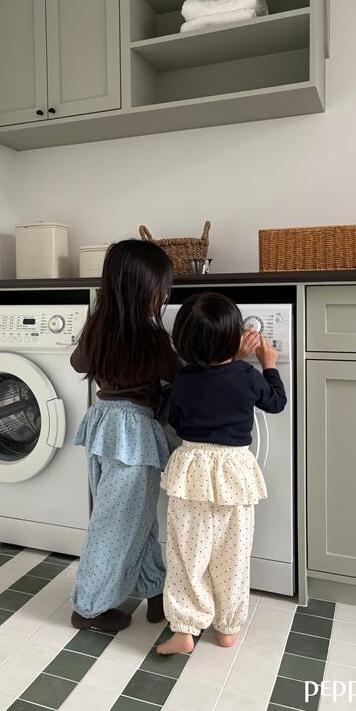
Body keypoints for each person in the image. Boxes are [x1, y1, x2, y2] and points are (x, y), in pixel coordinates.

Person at [157, 292, 287, 655]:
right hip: (234, 473)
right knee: (233, 554)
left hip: (191, 472)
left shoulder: (183, 379)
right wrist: (269, 365)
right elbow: (276, 402)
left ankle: (185, 629)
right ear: (235, 339)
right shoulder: (246, 376)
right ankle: (227, 628)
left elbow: (175, 420)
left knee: (187, 555)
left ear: (183, 342)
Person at [69, 239, 178, 632]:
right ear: (143, 290)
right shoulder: (151, 338)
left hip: (102, 427)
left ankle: (155, 591)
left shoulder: (98, 328)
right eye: (162, 289)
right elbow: (178, 375)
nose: (165, 296)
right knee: (115, 526)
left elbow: (77, 362)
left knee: (135, 518)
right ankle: (88, 608)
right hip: (134, 437)